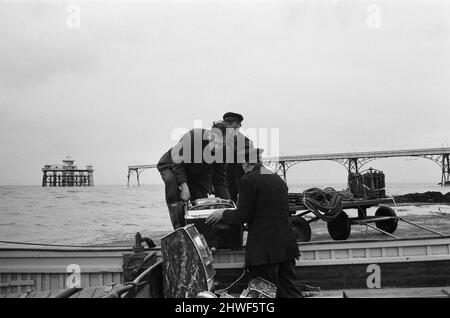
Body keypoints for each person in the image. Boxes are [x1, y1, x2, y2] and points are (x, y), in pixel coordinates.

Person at [205, 147, 302, 298]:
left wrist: (222, 213)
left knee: (263, 292)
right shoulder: (275, 177)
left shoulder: (248, 179)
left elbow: (242, 215)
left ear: (245, 163)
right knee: (289, 290)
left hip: (264, 250)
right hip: (286, 245)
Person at [157, 122, 231, 229]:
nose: (218, 147)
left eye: (222, 144)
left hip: (197, 173)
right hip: (172, 165)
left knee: (200, 203)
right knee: (171, 181)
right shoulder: (193, 137)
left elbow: (220, 180)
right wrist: (184, 186)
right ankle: (178, 226)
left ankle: (197, 229)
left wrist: (227, 204)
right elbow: (177, 163)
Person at [221, 112, 254, 203]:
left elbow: (250, 167)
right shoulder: (220, 141)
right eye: (226, 124)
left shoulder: (246, 143)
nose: (228, 127)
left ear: (239, 125)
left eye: (231, 124)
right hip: (223, 183)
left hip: (240, 183)